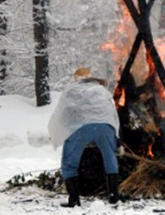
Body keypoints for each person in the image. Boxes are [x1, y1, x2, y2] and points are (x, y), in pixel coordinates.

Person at [48, 67, 122, 207]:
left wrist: (63, 131)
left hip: (80, 128)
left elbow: (64, 111)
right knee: (110, 159)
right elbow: (112, 112)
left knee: (70, 163)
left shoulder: (71, 90)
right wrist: (117, 138)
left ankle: (74, 199)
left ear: (75, 78)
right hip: (105, 126)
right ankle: (113, 197)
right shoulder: (101, 90)